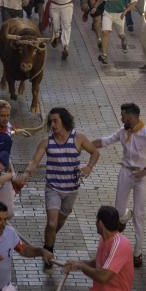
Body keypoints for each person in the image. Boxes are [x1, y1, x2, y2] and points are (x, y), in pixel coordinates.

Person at [20, 107, 99, 272]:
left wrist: (89, 167)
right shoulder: (47, 142)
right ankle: (48, 253)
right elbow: (34, 161)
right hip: (53, 189)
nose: (53, 124)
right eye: (50, 121)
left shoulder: (78, 138)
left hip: (71, 190)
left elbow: (95, 152)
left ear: (64, 120)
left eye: (56, 120)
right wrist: (27, 173)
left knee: (57, 225)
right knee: (51, 223)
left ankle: (48, 243)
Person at [93, 103, 146, 267]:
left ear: (132, 116)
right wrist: (84, 144)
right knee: (117, 211)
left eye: (123, 115)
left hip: (142, 174)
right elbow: (105, 141)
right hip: (126, 172)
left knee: (139, 214)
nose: (121, 118)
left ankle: (138, 252)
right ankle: (124, 218)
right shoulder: (123, 130)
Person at [93, 0, 137, 65]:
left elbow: (134, 1)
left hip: (119, 15)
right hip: (108, 13)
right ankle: (104, 55)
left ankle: (124, 40)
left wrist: (126, 11)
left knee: (120, 35)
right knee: (105, 32)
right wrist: (95, 7)